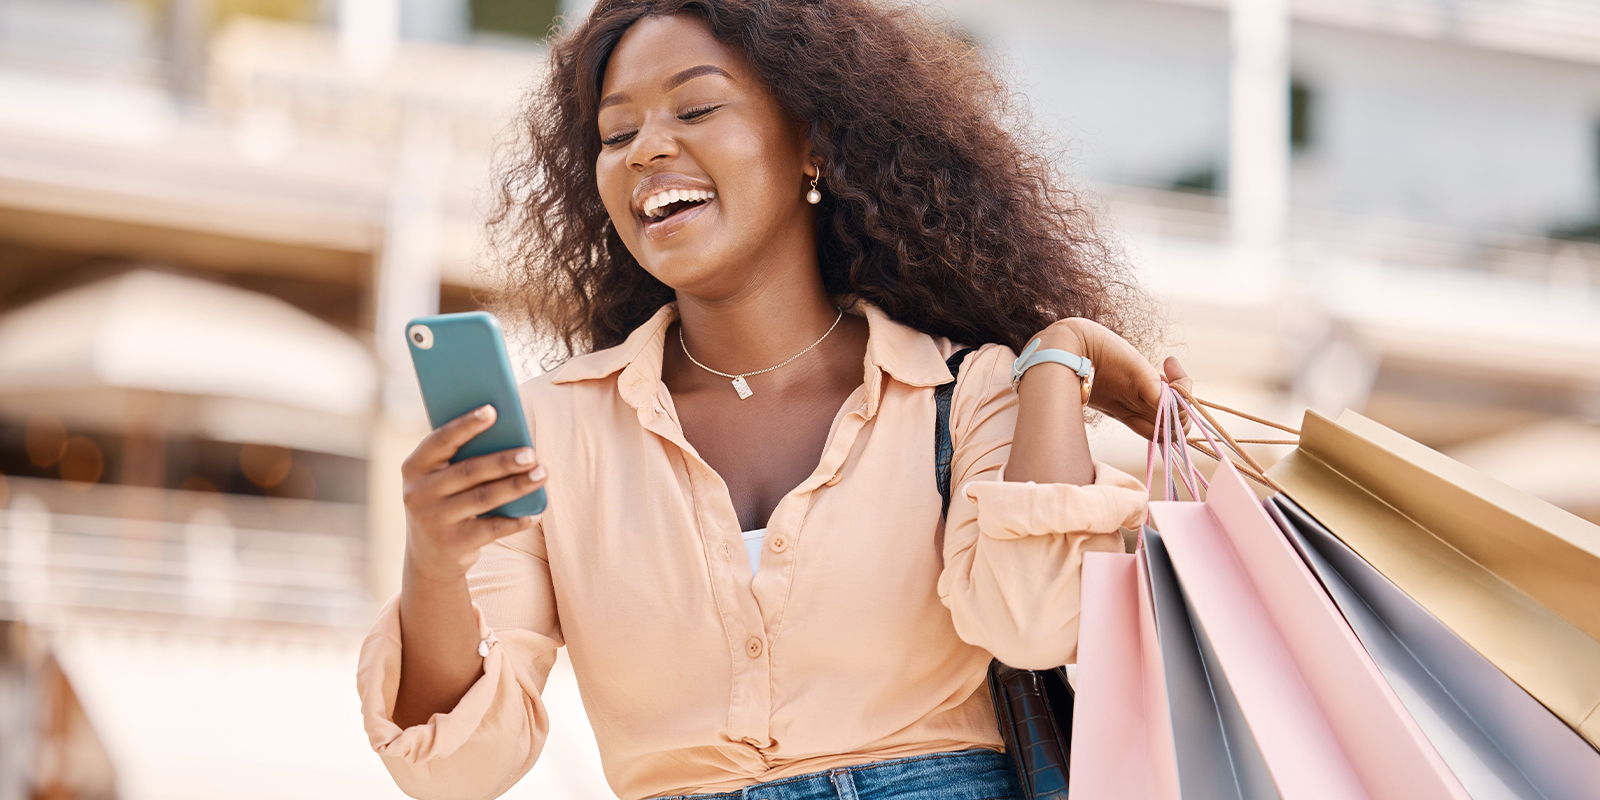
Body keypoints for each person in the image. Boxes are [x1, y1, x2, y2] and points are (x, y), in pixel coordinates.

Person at [356, 1, 1188, 799]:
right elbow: (456, 770)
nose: (647, 148)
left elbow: (1037, 623)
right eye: (617, 132)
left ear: (811, 146)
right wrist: (434, 560)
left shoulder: (964, 392)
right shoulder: (552, 427)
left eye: (696, 109)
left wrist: (1056, 356)